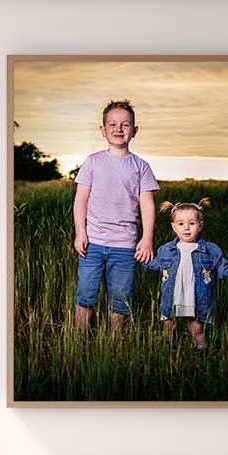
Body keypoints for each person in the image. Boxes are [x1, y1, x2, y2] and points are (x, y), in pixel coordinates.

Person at [72, 99, 159, 329]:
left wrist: (147, 238)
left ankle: (115, 345)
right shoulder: (93, 161)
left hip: (125, 245)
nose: (118, 129)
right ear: (103, 130)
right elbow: (80, 200)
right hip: (93, 243)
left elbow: (147, 205)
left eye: (125, 125)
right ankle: (80, 340)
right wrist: (80, 232)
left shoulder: (141, 166)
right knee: (85, 295)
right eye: (112, 124)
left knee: (120, 300)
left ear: (135, 131)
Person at [142, 198, 228, 351]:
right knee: (168, 328)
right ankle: (166, 355)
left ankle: (202, 356)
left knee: (197, 329)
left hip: (196, 298)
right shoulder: (167, 250)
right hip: (173, 297)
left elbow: (221, 265)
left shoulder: (209, 250)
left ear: (200, 226)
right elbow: (156, 264)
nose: (186, 228)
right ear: (174, 227)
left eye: (192, 223)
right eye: (181, 224)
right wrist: (142, 258)